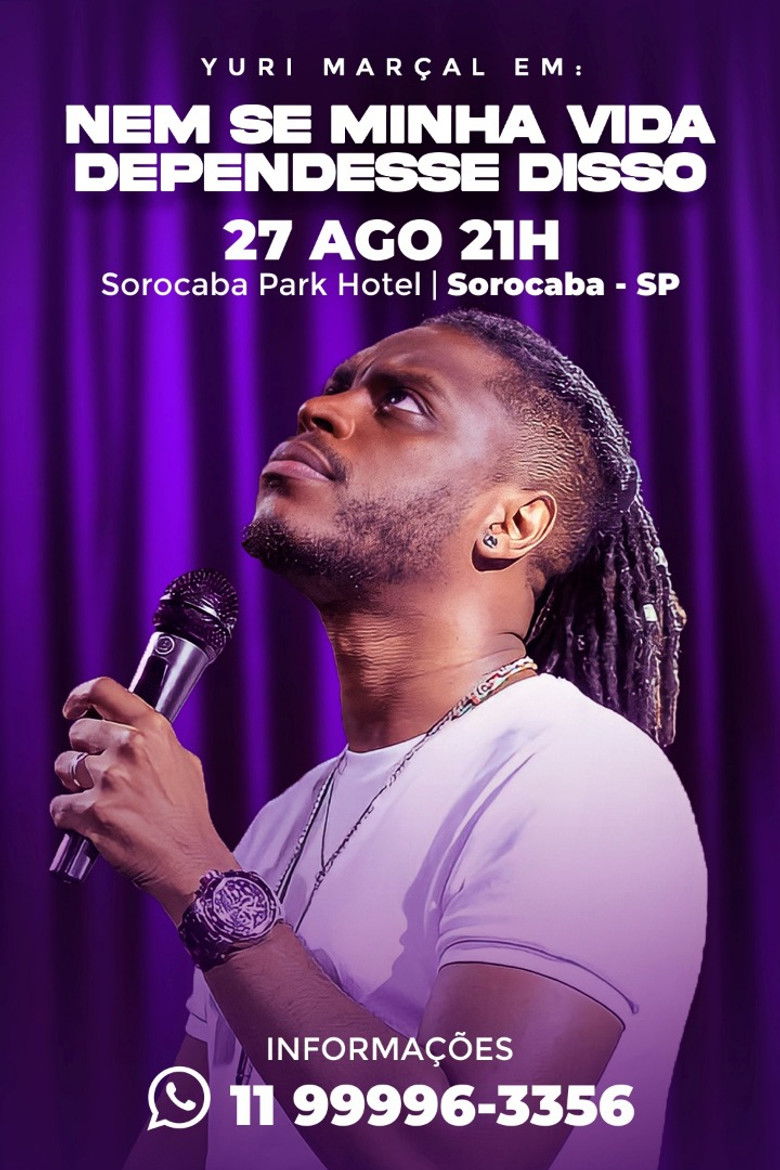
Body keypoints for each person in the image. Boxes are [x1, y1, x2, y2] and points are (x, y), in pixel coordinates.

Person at [51, 310, 706, 1170]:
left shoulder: (587, 775)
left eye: (401, 402)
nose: (319, 409)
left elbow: (463, 1157)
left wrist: (196, 873)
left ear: (510, 524)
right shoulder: (286, 817)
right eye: (337, 386)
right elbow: (189, 1136)